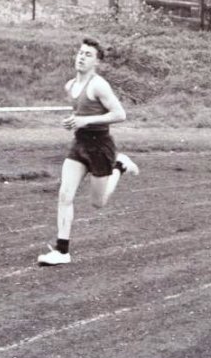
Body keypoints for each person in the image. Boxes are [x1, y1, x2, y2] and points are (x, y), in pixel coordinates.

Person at [37, 38, 140, 266]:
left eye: (88, 55)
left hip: (100, 147)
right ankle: (62, 251)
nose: (82, 57)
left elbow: (120, 114)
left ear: (96, 62)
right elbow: (79, 114)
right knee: (65, 195)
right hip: (80, 144)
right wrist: (73, 123)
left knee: (98, 203)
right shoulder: (69, 85)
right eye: (80, 53)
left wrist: (85, 120)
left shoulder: (98, 85)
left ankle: (119, 166)